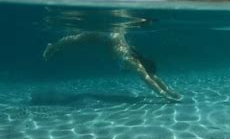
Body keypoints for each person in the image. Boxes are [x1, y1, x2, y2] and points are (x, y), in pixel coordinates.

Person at [43, 30, 181, 101]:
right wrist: (164, 95)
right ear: (145, 67)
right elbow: (148, 80)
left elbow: (153, 77)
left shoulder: (139, 58)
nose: (148, 73)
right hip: (106, 37)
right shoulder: (132, 62)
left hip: (112, 37)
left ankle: (54, 47)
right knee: (76, 40)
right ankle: (52, 46)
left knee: (76, 40)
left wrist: (170, 91)